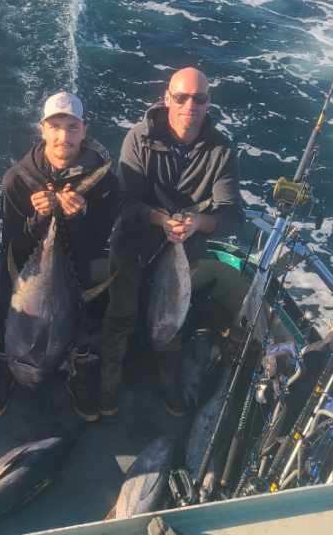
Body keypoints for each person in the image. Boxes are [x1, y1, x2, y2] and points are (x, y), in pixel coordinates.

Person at [100, 67, 241, 416]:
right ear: (167, 98)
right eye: (181, 97)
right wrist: (163, 220)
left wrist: (197, 223)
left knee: (171, 320)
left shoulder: (221, 150)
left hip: (183, 250)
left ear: (208, 104)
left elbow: (232, 216)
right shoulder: (139, 137)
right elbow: (125, 203)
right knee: (120, 316)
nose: (190, 105)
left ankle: (168, 383)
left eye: (199, 98)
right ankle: (107, 386)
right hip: (133, 245)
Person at [0, 92, 120, 421]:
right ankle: (6, 368)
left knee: (80, 326)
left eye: (72, 127)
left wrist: (82, 213)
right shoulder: (17, 180)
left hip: (75, 269)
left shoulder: (105, 181)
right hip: (25, 274)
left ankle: (79, 376)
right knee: (10, 321)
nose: (64, 136)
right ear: (42, 130)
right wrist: (37, 219)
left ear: (84, 129)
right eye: (56, 127)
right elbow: (13, 246)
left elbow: (97, 245)